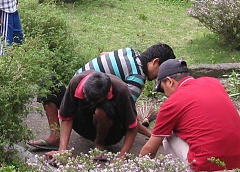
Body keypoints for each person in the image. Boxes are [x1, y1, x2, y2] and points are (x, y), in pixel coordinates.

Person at [28, 43, 176, 151]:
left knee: (48, 82)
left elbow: (126, 114)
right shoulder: (137, 77)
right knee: (105, 108)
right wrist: (152, 135)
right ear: (155, 61)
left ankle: (97, 143)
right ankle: (56, 138)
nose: (159, 78)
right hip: (87, 113)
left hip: (81, 108)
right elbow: (127, 116)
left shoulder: (128, 52)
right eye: (161, 71)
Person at [139, 59, 240, 172]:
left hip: (207, 166)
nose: (165, 94)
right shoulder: (213, 82)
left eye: (163, 89)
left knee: (166, 137)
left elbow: (150, 149)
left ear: (170, 81)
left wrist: (135, 171)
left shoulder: (173, 102)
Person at [44, 71, 139, 162]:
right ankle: (55, 138)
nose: (91, 103)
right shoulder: (76, 82)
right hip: (85, 123)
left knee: (102, 111)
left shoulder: (121, 90)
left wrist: (121, 157)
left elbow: (133, 126)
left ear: (108, 92)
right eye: (86, 97)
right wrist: (62, 151)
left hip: (111, 133)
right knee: (48, 81)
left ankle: (99, 143)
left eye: (95, 101)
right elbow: (67, 118)